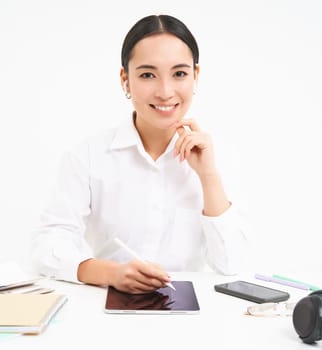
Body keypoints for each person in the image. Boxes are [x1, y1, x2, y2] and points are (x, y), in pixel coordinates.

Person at [31, 14, 248, 294]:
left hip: (190, 310)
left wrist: (208, 175)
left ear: (196, 76)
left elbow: (233, 264)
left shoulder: (219, 157)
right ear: (126, 79)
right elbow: (47, 244)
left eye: (179, 73)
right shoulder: (87, 155)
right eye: (147, 75)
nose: (165, 91)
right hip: (105, 302)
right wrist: (111, 273)